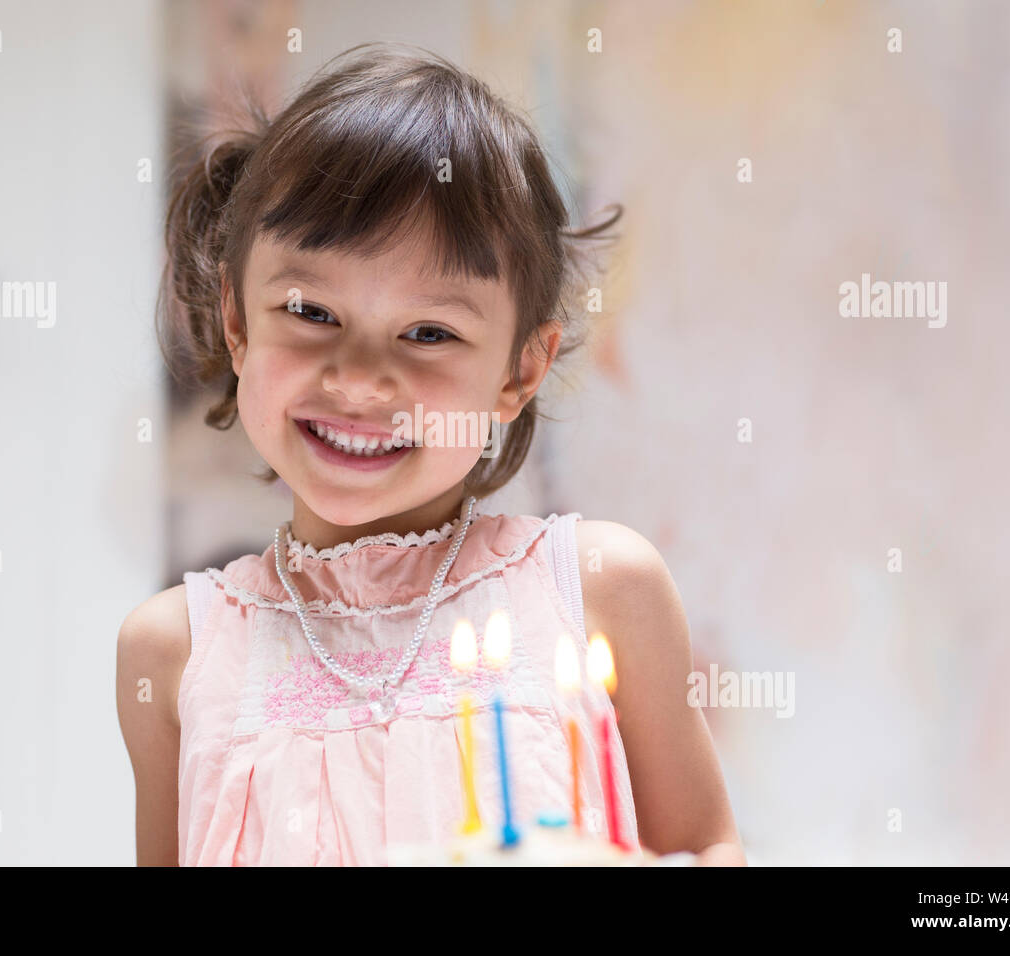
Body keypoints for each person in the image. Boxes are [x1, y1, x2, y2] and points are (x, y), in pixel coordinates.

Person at [117, 41, 744, 866]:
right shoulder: (173, 650)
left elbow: (707, 848)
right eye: (310, 311)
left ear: (520, 369)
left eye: (429, 332)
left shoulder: (597, 590)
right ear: (238, 324)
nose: (362, 380)